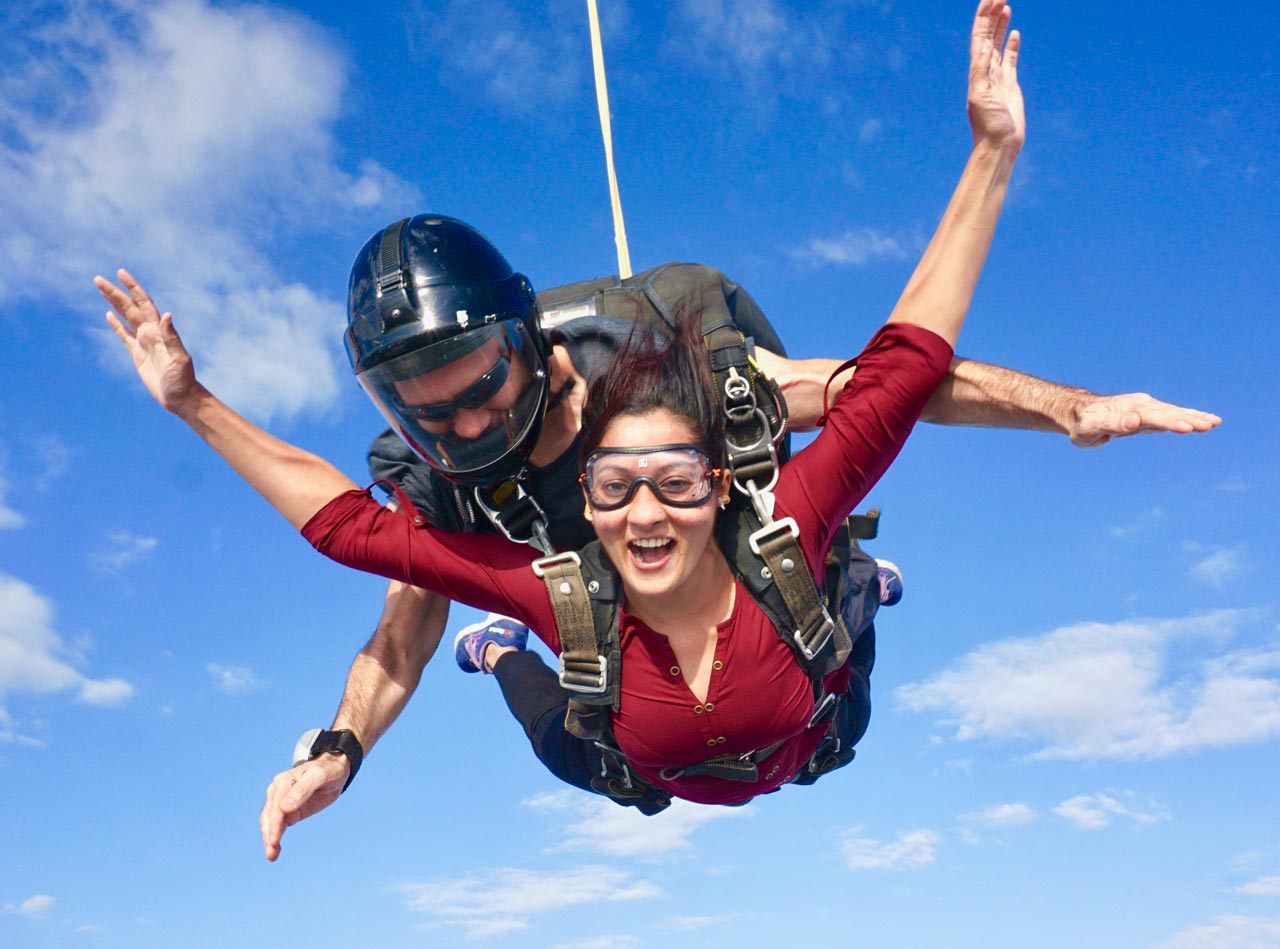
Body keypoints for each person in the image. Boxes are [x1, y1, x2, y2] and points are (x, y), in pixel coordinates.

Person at [102, 1, 1218, 860]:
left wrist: (1068, 407)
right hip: (631, 713)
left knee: (829, 652)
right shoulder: (468, 506)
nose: (465, 422)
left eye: (482, 383)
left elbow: (882, 384)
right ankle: (518, 662)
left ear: (528, 345)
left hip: (780, 632)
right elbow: (378, 591)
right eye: (421, 409)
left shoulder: (694, 397)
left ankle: (856, 583)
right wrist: (338, 751)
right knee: (597, 752)